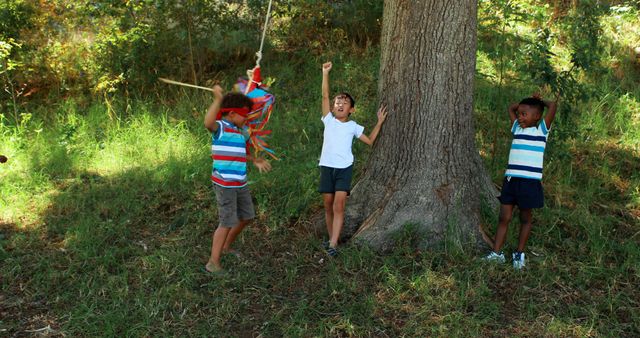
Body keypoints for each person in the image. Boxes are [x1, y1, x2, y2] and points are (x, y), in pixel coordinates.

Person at [319, 61, 388, 257]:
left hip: (344, 168)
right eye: (337, 102)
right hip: (326, 166)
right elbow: (324, 95)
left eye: (345, 102)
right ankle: (332, 236)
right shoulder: (328, 120)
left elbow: (371, 140)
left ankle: (333, 244)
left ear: (352, 110)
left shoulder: (353, 126)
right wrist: (325, 73)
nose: (340, 104)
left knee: (338, 205)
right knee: (328, 204)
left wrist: (380, 121)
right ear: (332, 107)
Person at [484, 94, 558, 269]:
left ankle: (519, 253)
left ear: (537, 116)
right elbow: (511, 107)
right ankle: (496, 253)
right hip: (511, 180)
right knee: (504, 217)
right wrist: (524, 105)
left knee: (525, 218)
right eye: (520, 113)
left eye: (525, 114)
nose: (520, 116)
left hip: (529, 183)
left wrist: (539, 102)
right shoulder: (517, 128)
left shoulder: (541, 131)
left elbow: (552, 106)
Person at [203, 85, 272, 274]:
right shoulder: (221, 127)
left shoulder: (240, 133)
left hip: (240, 182)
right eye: (244, 115)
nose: (247, 118)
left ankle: (226, 246)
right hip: (225, 183)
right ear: (232, 113)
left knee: (247, 216)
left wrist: (255, 160)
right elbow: (207, 122)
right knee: (226, 221)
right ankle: (213, 262)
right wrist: (218, 99)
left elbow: (240, 154)